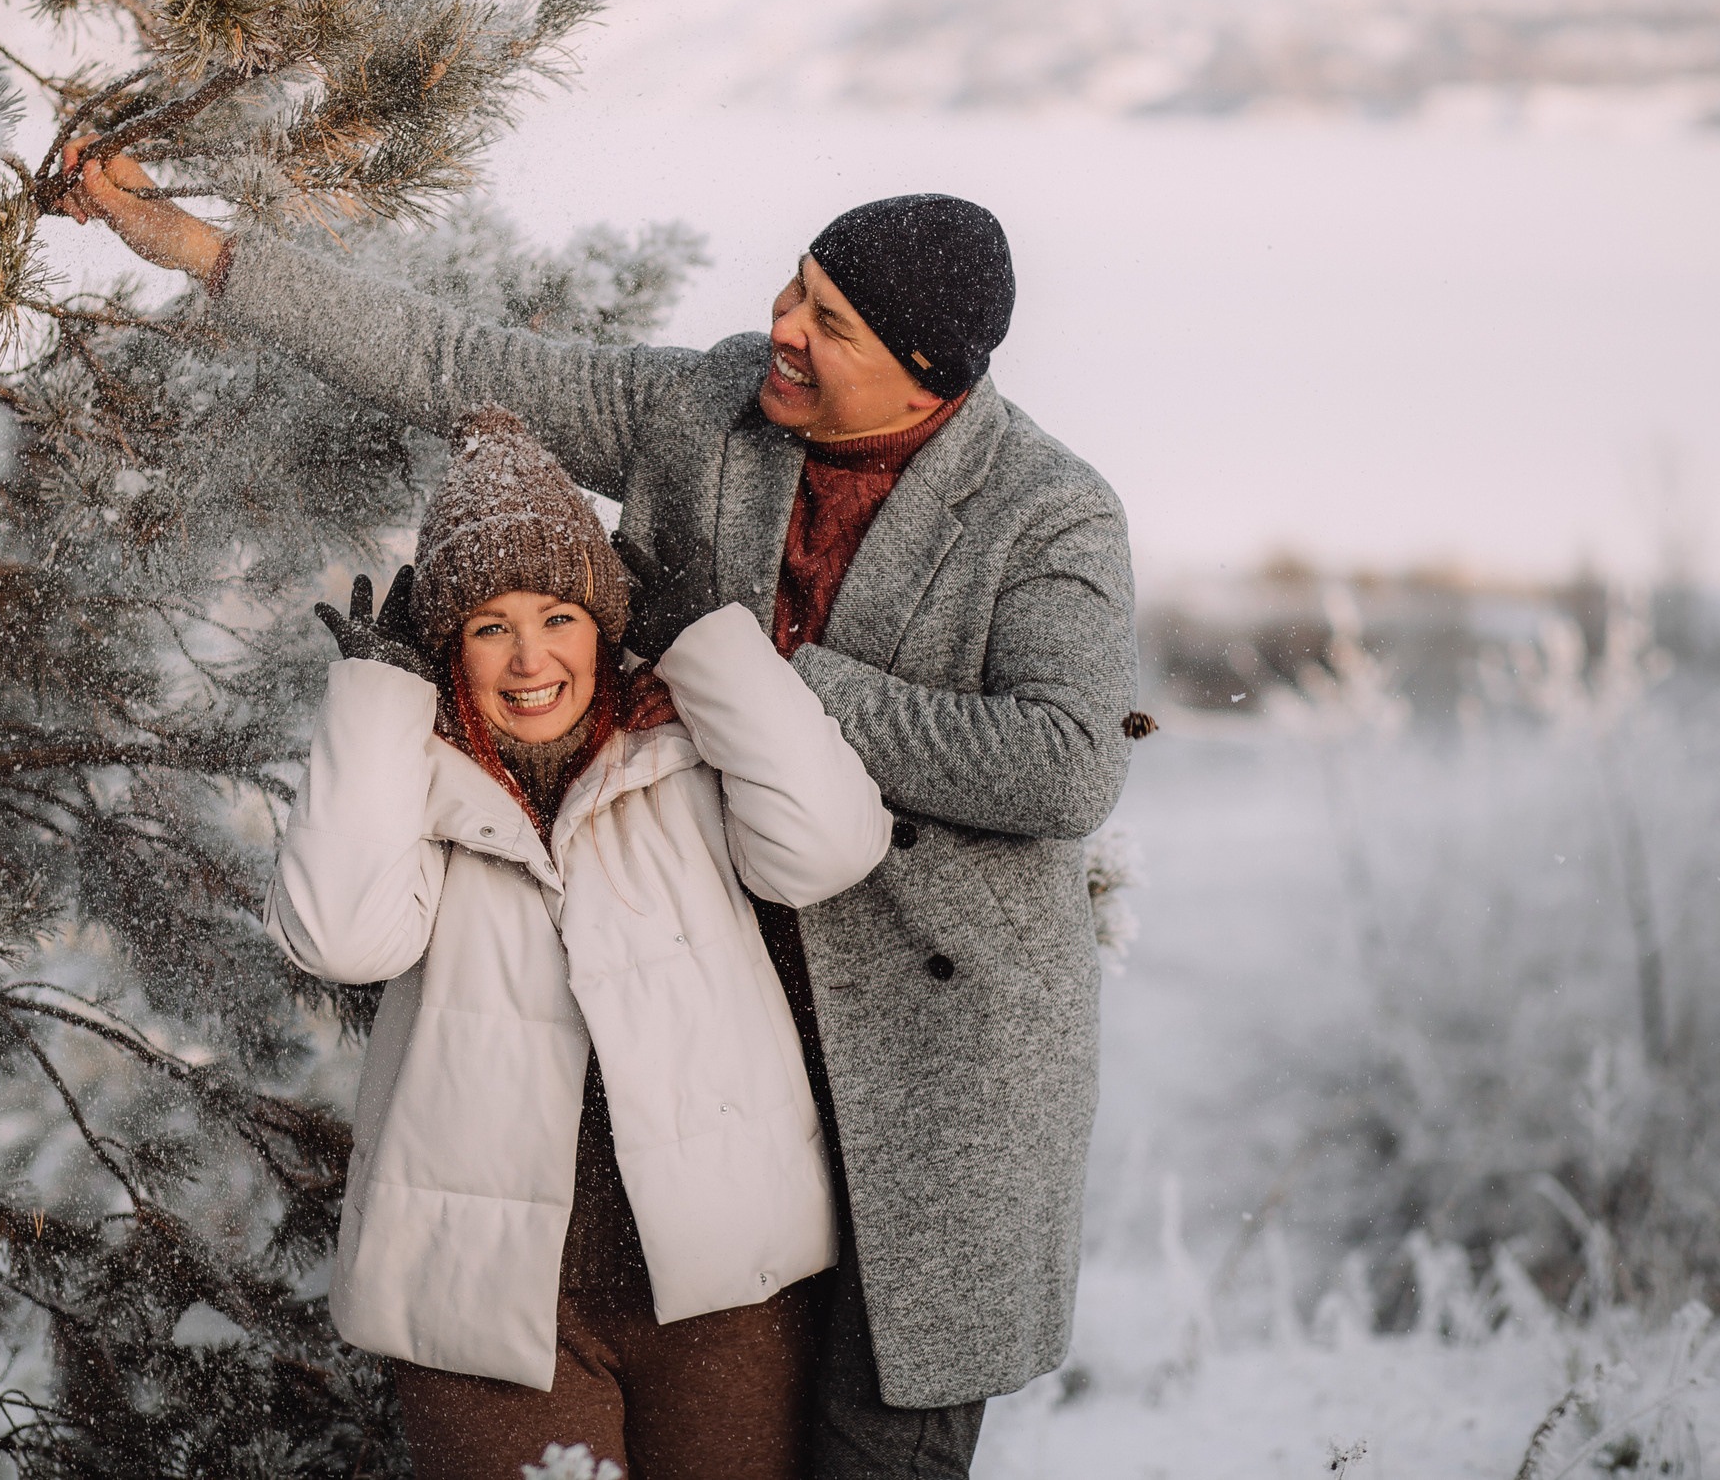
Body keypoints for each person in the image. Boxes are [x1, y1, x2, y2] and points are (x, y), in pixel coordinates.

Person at [65, 154, 1139, 1480]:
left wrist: (764, 668)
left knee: (873, 1449)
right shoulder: (710, 409)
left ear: (933, 373)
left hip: (931, 1078)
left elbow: (1065, 760)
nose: (782, 333)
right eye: (793, 291)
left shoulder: (1048, 512)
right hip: (708, 1017)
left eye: (829, 325)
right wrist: (206, 250)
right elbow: (456, 358)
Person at [268, 404, 890, 1479]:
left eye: (557, 614)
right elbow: (337, 938)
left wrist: (712, 648)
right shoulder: (410, 781)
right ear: (443, 646)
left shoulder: (683, 750)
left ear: (603, 623)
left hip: (724, 1286)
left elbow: (830, 845)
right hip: (483, 1308)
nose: (527, 659)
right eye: (486, 625)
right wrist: (374, 701)